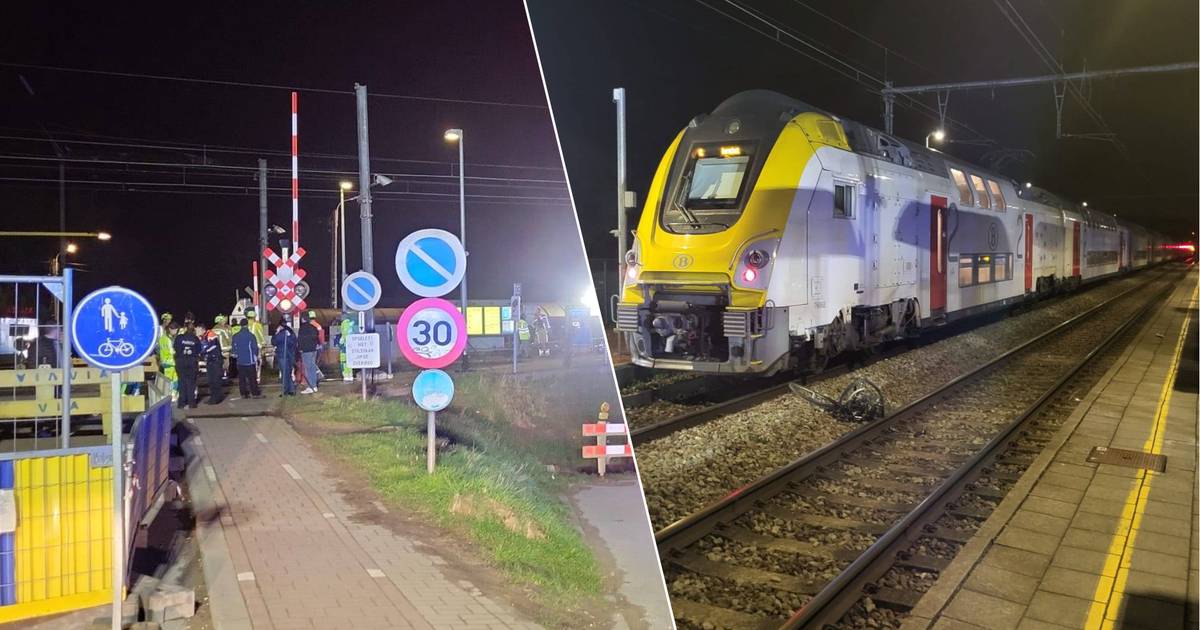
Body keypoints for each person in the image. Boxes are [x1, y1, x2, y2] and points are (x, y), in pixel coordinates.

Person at [173, 321, 202, 409]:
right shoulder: (195, 339)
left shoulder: (179, 338)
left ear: (185, 328)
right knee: (191, 383)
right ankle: (191, 403)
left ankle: (181, 403)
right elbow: (199, 350)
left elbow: (175, 348)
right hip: (192, 362)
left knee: (181, 382)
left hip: (181, 362)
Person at [231, 324, 262, 398]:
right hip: (250, 360)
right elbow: (254, 347)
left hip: (240, 361)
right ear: (247, 325)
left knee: (242, 379)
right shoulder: (251, 335)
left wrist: (235, 354)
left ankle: (243, 393)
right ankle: (254, 392)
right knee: (252, 378)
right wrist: (256, 356)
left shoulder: (235, 336)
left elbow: (234, 348)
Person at [198, 322, 225, 404]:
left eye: (197, 329)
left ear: (202, 329)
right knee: (211, 380)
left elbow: (213, 346)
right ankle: (213, 397)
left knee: (215, 380)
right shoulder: (202, 336)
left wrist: (203, 351)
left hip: (215, 360)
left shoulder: (210, 334)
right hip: (210, 361)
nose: (196, 331)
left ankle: (216, 399)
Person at [272, 322, 298, 396]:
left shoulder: (280, 334)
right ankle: (291, 389)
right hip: (290, 355)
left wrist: (276, 333)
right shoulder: (291, 333)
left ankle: (285, 390)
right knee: (288, 372)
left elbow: (274, 342)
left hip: (282, 355)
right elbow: (294, 343)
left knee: (284, 373)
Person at [298, 312, 321, 394]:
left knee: (308, 368)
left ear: (303, 319)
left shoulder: (302, 328)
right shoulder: (313, 327)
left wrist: (300, 349)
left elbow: (300, 340)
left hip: (306, 351)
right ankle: (314, 386)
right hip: (313, 350)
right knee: (312, 368)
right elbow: (317, 337)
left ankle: (310, 387)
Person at [157, 318, 178, 398]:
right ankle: (172, 394)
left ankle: (168, 394)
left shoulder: (162, 338)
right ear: (171, 329)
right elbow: (172, 351)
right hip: (171, 362)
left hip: (164, 361)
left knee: (167, 379)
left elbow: (158, 349)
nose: (176, 332)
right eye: (175, 330)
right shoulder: (169, 339)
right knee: (174, 379)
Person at [337, 314, 355, 381]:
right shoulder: (351, 323)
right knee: (350, 360)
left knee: (343, 361)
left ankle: (346, 375)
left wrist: (342, 342)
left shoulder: (344, 323)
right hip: (351, 345)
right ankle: (350, 375)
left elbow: (344, 334)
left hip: (345, 346)